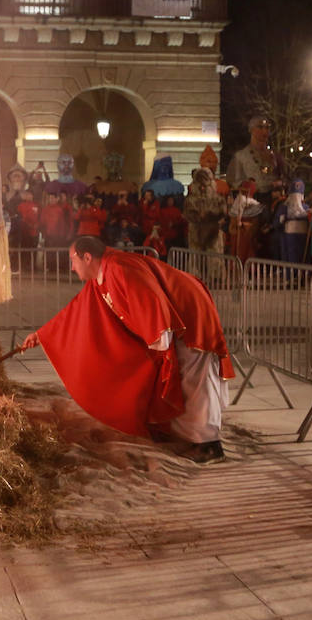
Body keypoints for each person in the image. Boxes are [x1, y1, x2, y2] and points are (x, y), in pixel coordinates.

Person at [22, 236, 234, 463]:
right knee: (184, 380)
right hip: (177, 320)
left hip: (190, 317)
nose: (71, 267)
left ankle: (209, 445)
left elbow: (151, 300)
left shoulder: (119, 269)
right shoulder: (102, 275)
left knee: (196, 378)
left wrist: (159, 341)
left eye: (72, 260)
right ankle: (192, 437)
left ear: (87, 257)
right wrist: (42, 335)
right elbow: (76, 310)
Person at [227, 116, 283, 201]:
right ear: (251, 130)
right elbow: (233, 183)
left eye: (267, 127)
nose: (264, 131)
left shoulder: (275, 156)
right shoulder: (240, 157)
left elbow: (284, 177)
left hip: (273, 203)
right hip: (250, 204)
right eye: (260, 127)